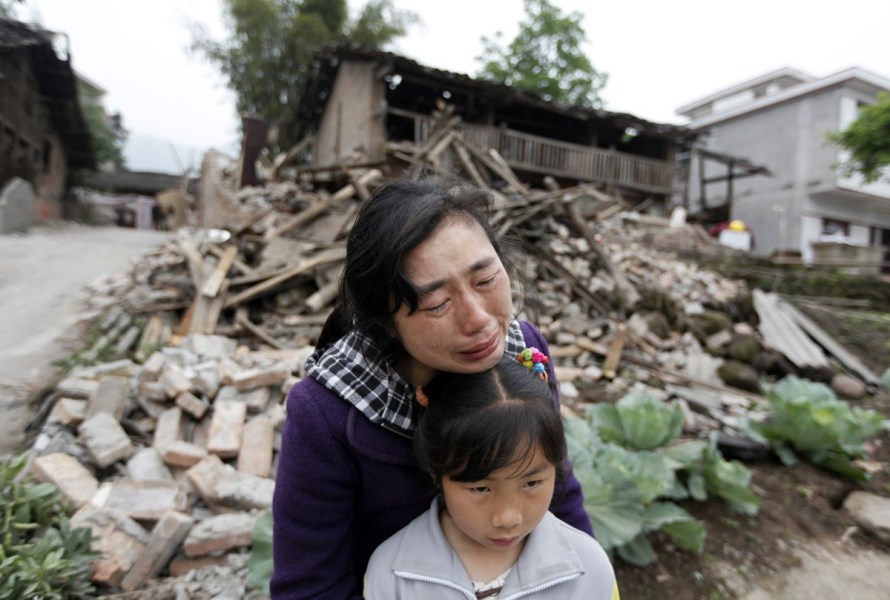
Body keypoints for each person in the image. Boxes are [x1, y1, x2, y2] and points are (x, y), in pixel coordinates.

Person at [270, 175, 593, 599]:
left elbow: (560, 495)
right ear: (385, 323)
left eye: (486, 280)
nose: (479, 319)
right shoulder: (327, 415)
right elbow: (310, 587)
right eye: (437, 304)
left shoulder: (525, 353)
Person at [365, 356, 618, 599]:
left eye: (532, 483)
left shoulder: (590, 569)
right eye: (480, 488)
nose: (507, 518)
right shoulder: (392, 574)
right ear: (436, 472)